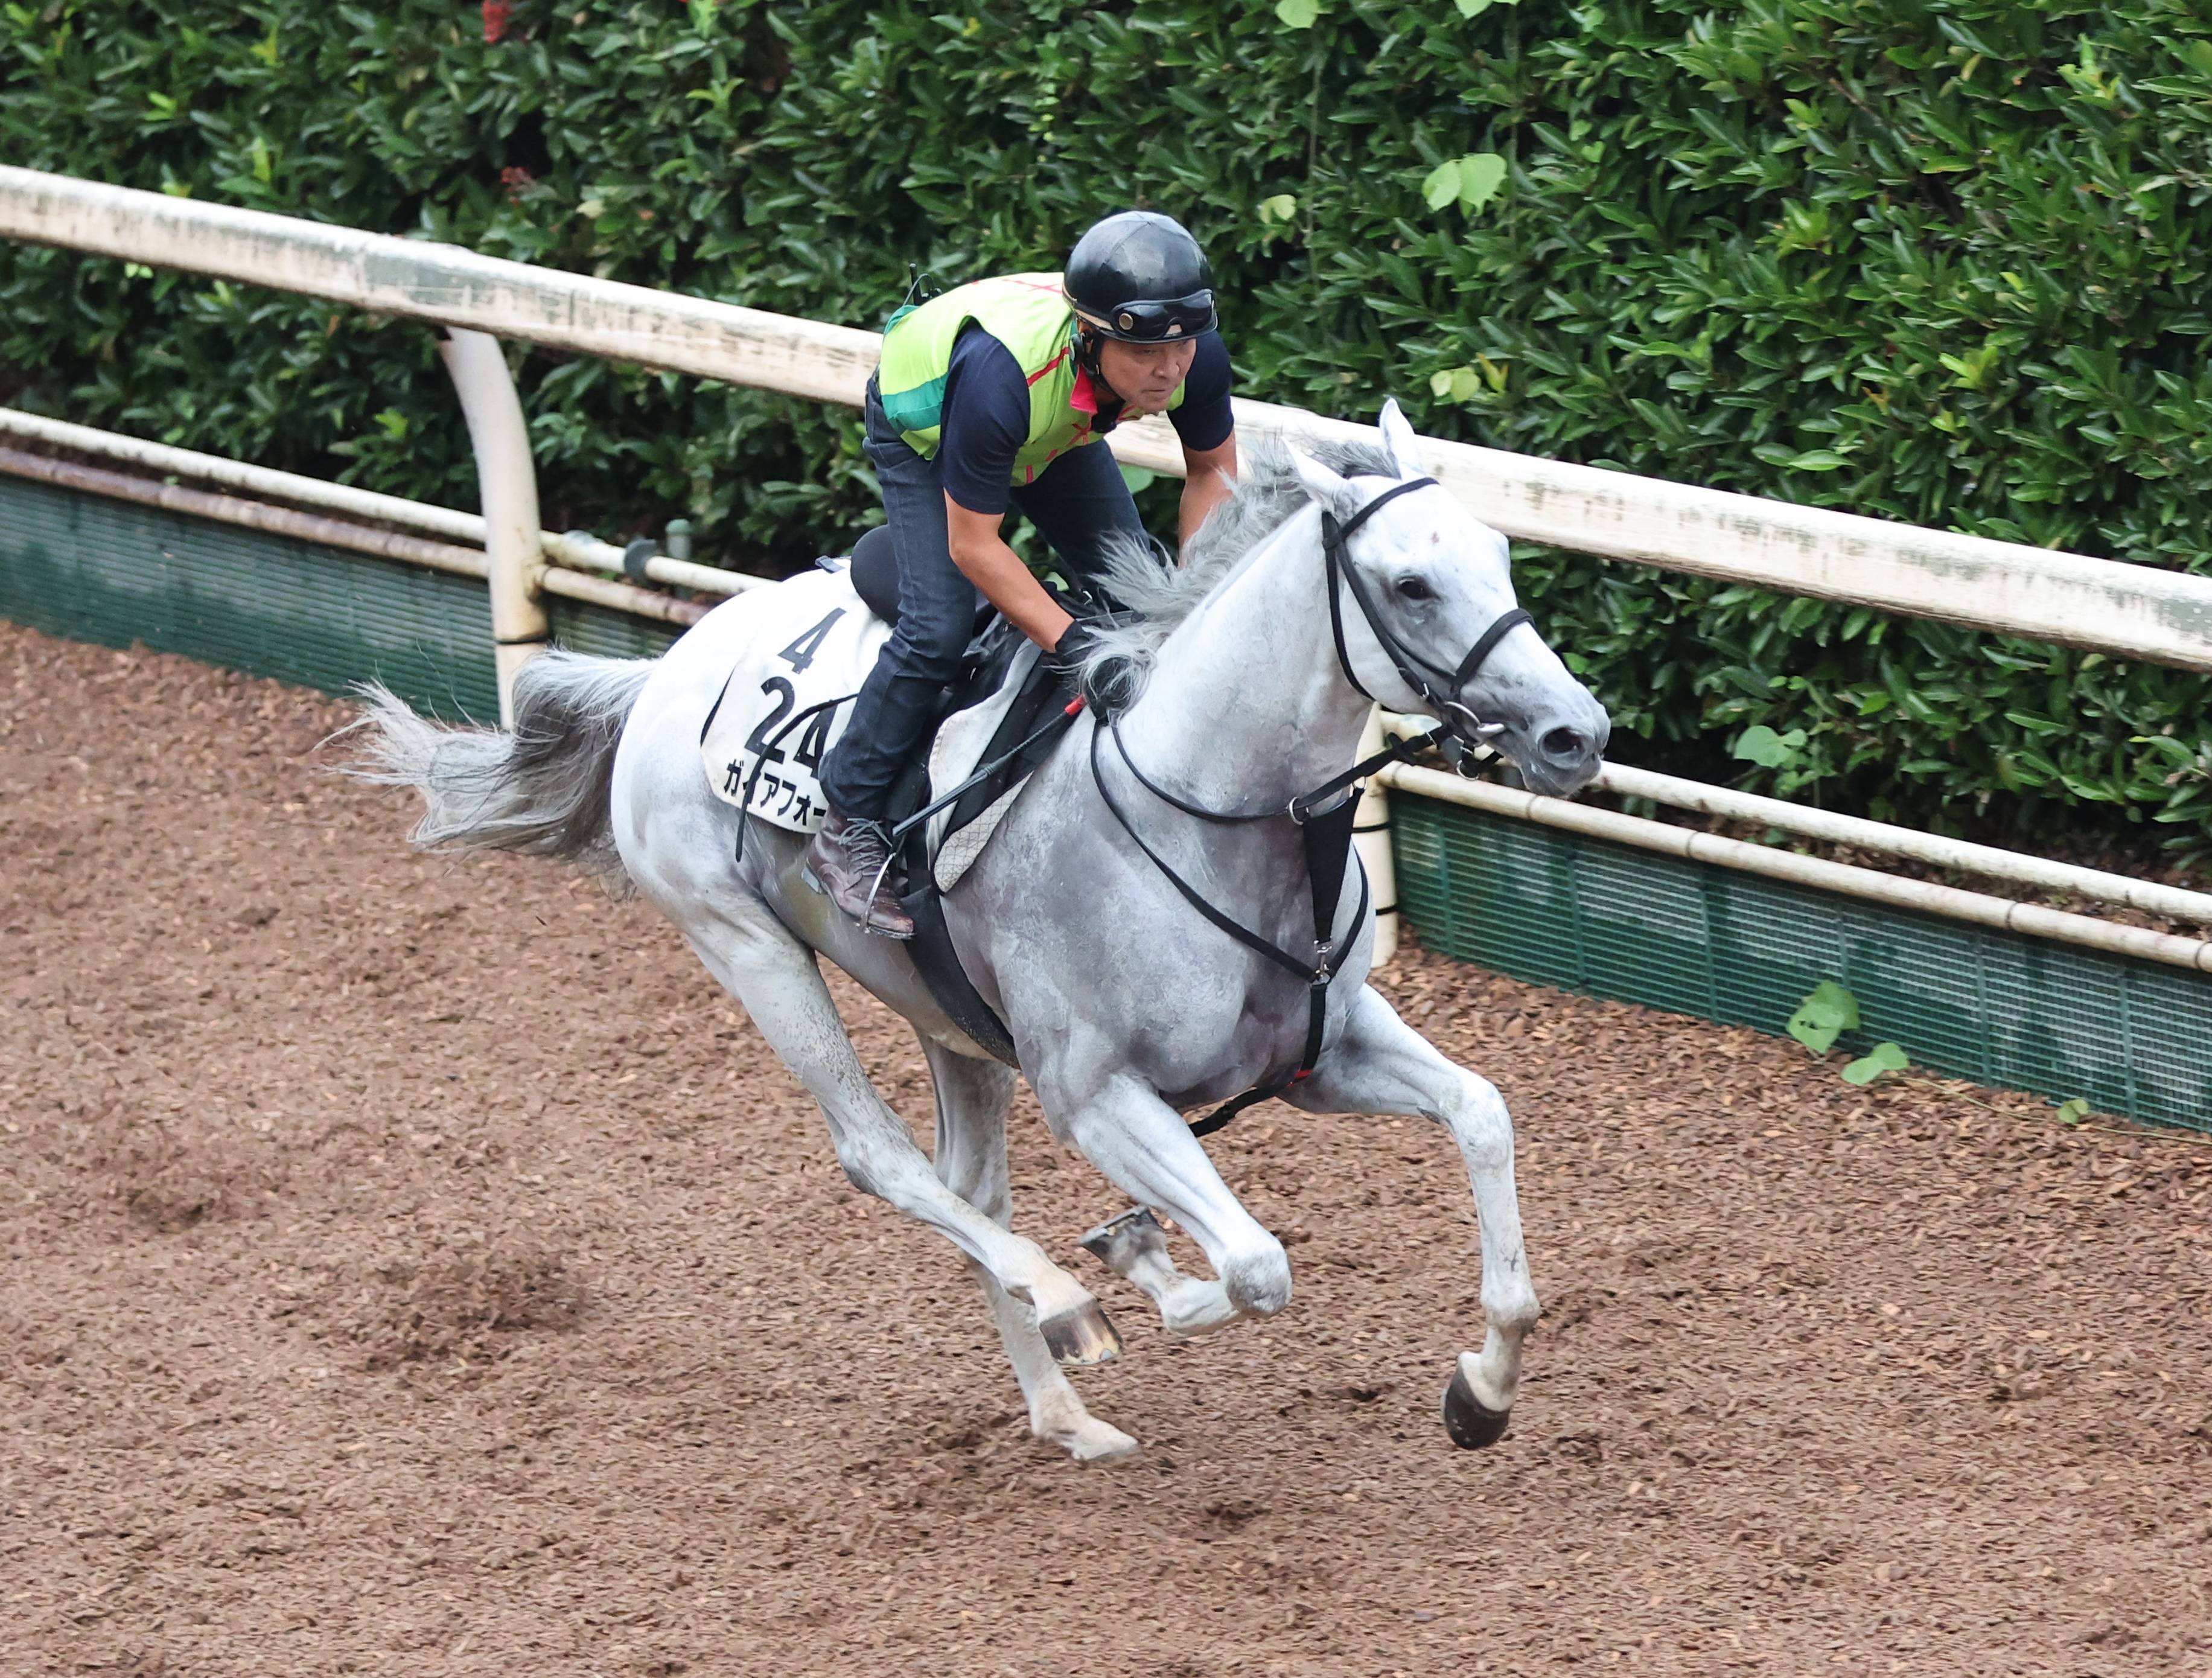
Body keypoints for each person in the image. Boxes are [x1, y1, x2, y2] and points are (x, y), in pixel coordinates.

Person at [807, 209, 1241, 937]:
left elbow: (1211, 473)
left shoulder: (1185, 348)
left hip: (1052, 431)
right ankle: (846, 818)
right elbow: (974, 544)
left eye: (1181, 349)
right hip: (935, 424)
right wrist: (1070, 644)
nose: (1167, 370)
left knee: (1140, 605)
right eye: (1141, 354)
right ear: (1091, 335)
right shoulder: (998, 375)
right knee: (936, 631)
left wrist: (1187, 604)